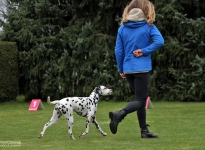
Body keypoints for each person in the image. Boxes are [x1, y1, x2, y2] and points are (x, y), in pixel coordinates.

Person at [109, 0, 164, 138]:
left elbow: (118, 51)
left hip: (128, 70)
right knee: (140, 100)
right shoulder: (148, 26)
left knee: (139, 100)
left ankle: (144, 131)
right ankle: (119, 115)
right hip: (142, 68)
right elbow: (160, 41)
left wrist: (121, 68)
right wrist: (145, 51)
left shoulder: (122, 28)